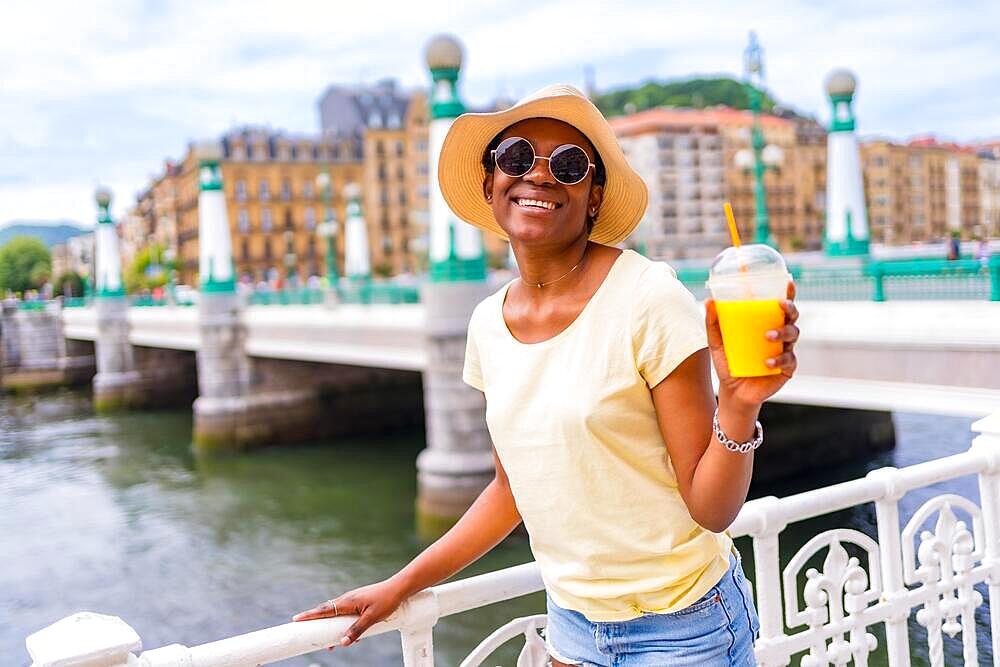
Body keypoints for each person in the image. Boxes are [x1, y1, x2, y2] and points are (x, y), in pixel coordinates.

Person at [293, 85, 800, 665]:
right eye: (515, 157)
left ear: (593, 198)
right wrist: (402, 584)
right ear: (490, 185)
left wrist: (737, 406)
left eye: (567, 165)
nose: (538, 175)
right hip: (572, 626)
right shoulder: (487, 324)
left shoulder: (647, 296)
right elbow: (512, 490)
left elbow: (711, 511)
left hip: (684, 628)